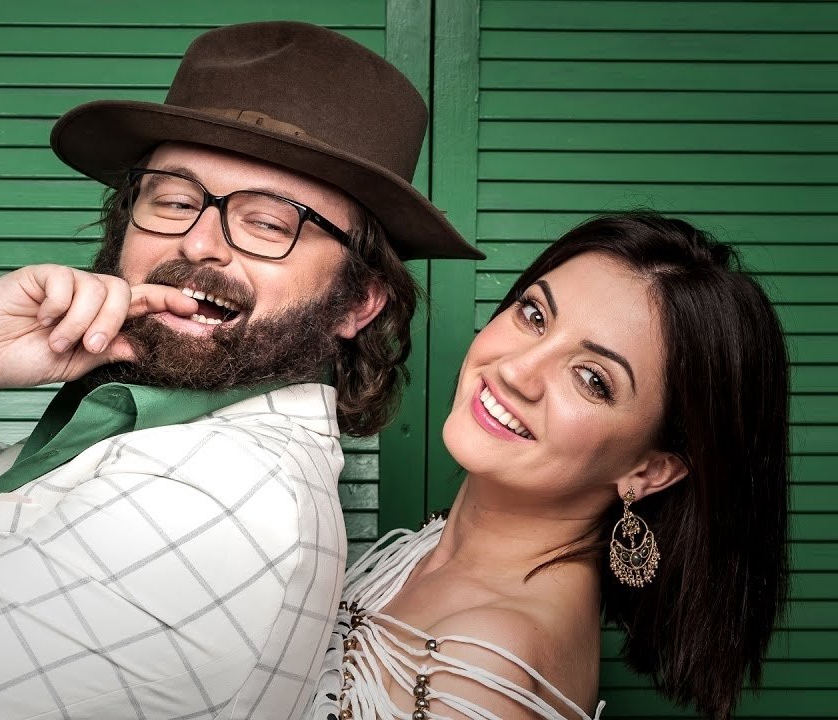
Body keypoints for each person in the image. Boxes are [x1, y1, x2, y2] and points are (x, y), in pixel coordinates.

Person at [0, 21, 483, 720]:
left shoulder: (207, 506)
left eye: (267, 222)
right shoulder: (130, 432)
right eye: (174, 198)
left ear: (357, 302)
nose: (199, 243)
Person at [309, 213, 789, 720]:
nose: (517, 370)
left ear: (650, 471)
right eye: (535, 315)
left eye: (592, 379)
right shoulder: (443, 549)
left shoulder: (481, 667)